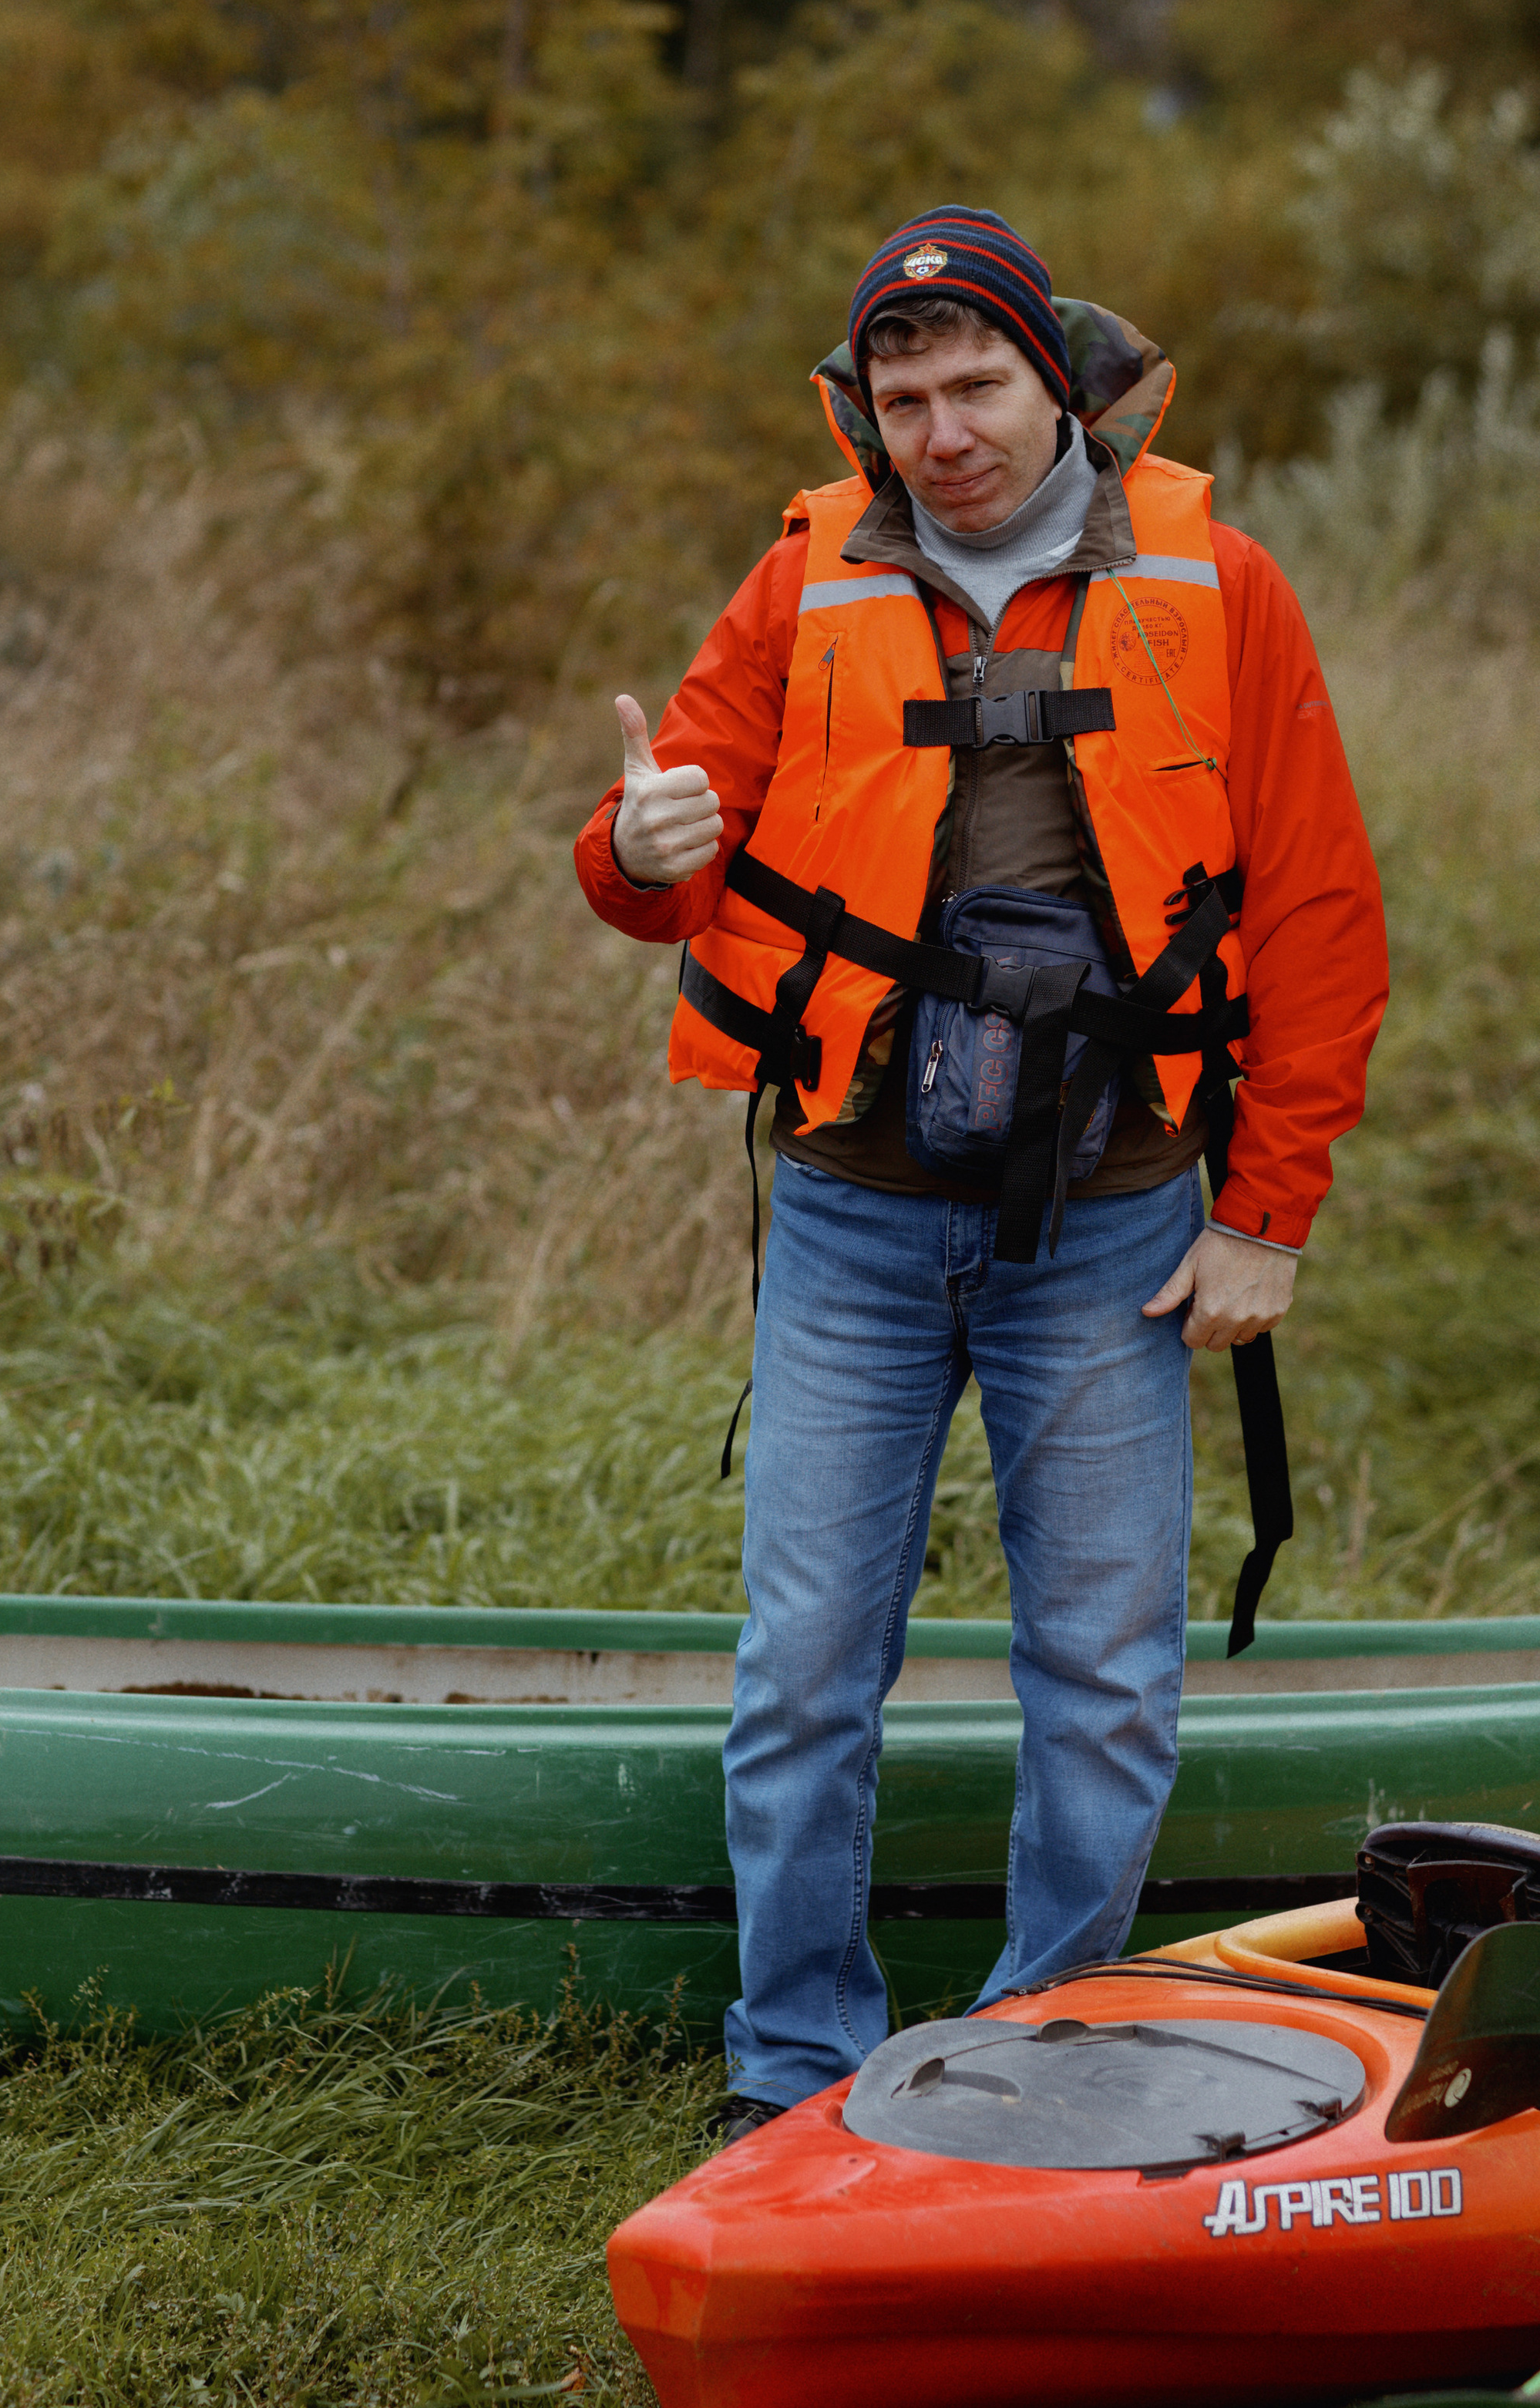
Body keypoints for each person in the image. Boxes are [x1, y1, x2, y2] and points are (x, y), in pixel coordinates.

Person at [574, 207, 1386, 2137]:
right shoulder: (804, 582)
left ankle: (1036, 2063)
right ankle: (792, 2074)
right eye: (905, 400)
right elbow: (655, 859)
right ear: (860, 413)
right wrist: (634, 848)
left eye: (979, 387)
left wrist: (1265, 1212)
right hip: (852, 1214)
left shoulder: (1217, 585)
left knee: (1101, 1678)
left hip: (1113, 1220)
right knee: (801, 1673)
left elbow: (1317, 912)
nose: (943, 434)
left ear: (1058, 385)